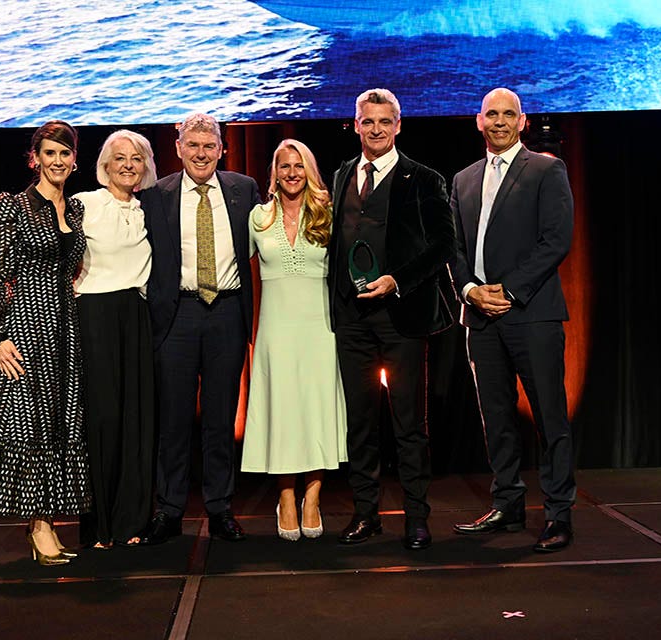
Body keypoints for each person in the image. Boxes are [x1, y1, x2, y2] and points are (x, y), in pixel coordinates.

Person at [448, 87, 576, 552]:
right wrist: (469, 290)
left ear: (522, 122)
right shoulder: (462, 178)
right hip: (479, 317)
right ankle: (508, 504)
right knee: (496, 418)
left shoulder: (546, 168)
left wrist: (511, 290)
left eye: (509, 114)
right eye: (491, 114)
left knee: (550, 418)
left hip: (532, 315)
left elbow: (556, 239)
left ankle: (559, 514)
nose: (499, 121)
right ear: (477, 121)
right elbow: (455, 248)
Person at [328, 89, 456, 550]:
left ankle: (416, 518)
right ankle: (366, 514)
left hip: (401, 317)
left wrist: (396, 280)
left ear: (398, 125)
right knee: (360, 422)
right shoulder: (344, 174)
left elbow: (444, 245)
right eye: (368, 121)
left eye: (385, 121)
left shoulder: (423, 179)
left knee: (408, 424)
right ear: (355, 124)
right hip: (351, 319)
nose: (376, 129)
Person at [138, 113, 261, 544]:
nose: (202, 154)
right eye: (193, 145)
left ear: (222, 149)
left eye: (210, 146)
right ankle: (169, 510)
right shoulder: (156, 196)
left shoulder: (244, 190)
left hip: (226, 312)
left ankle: (220, 507)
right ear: (178, 148)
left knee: (221, 416)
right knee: (172, 418)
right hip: (178, 315)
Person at [0, 120, 92, 565]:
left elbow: (71, 269)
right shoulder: (12, 206)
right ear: (35, 159)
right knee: (30, 425)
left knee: (60, 423)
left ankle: (48, 522)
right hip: (25, 325)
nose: (58, 161)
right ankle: (39, 526)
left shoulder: (76, 210)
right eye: (50, 153)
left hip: (64, 328)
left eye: (64, 153)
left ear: (74, 159)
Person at [240, 139, 348, 541]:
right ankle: (286, 497)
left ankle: (313, 497)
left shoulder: (329, 214)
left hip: (319, 327)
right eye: (284, 166)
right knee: (283, 410)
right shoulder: (258, 217)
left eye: (298, 166)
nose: (291, 173)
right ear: (274, 172)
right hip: (276, 329)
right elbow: (230, 265)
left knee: (316, 408)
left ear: (310, 170)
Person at [72, 129, 157, 549]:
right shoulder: (84, 204)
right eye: (119, 157)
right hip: (95, 317)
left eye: (136, 158)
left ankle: (132, 522)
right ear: (105, 165)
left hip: (136, 316)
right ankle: (99, 526)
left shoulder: (149, 210)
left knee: (135, 418)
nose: (128, 164)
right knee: (102, 419)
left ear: (145, 167)